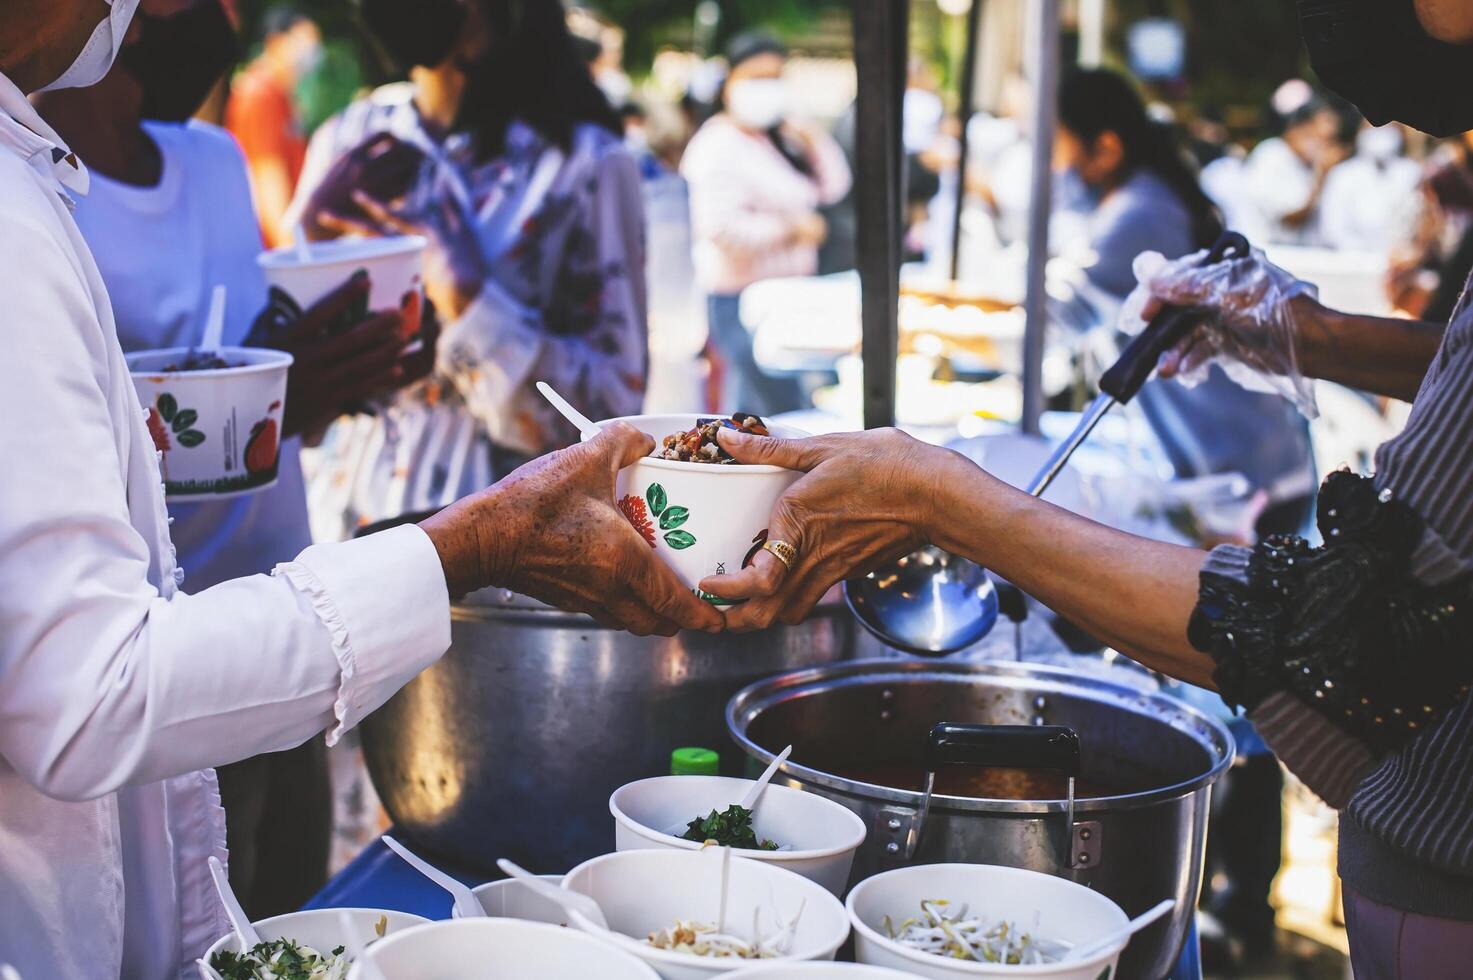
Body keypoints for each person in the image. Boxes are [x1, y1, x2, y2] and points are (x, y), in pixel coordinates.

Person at [0, 2, 722, 976]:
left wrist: (455, 294)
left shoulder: (589, 164)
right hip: (347, 568)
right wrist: (450, 536)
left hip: (452, 589)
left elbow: (603, 407)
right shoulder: (354, 142)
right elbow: (87, 689)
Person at [30, 0, 430, 918]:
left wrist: (337, 363)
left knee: (296, 905)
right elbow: (77, 449)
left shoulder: (214, 162)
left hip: (291, 611)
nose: (227, 16)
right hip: (164, 661)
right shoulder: (36, 192)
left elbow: (256, 371)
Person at [287, 0, 648, 540]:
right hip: (346, 518)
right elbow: (289, 356)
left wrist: (470, 300)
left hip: (508, 532)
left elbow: (613, 412)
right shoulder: (352, 137)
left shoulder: (585, 162)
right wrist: (311, 248)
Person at [1053, 68, 1315, 533]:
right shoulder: (1147, 197)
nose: (1053, 165)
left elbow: (1056, 316)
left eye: (1057, 145)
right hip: (1249, 462)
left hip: (1243, 478)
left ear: (1107, 147)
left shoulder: (1136, 214)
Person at [680, 32, 851, 416]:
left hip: (789, 296)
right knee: (759, 416)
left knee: (787, 411)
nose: (767, 87)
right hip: (738, 299)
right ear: (730, 83)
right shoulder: (716, 145)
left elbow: (834, 186)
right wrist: (791, 230)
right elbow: (721, 230)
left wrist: (814, 139)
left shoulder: (778, 138)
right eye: (756, 77)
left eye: (775, 77)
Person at [224, 6, 319, 247]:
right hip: (270, 251)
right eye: (304, 42)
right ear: (276, 42)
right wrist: (294, 259)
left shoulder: (281, 96)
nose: (311, 52)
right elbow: (267, 185)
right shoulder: (259, 95)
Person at [1243, 84, 1346, 246]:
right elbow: (1290, 219)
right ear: (1298, 128)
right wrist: (1322, 178)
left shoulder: (1308, 165)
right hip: (1267, 254)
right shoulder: (1271, 155)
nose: (1322, 146)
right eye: (1318, 137)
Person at [1320, 123, 1422, 253]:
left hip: (1400, 259)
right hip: (1350, 259)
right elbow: (1331, 230)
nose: (1380, 132)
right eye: (1373, 126)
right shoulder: (1342, 174)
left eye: (1389, 127)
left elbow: (1418, 223)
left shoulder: (1412, 172)